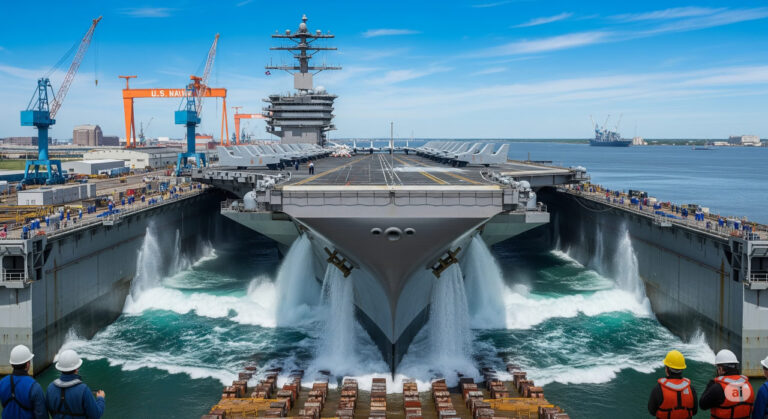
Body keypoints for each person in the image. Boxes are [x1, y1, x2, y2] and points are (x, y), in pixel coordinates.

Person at [46, 349, 105, 419]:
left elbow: (49, 411)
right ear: (77, 368)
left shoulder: (50, 388)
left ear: (60, 368)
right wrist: (100, 399)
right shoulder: (84, 390)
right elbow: (95, 415)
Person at [700, 349, 754, 418]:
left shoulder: (717, 388)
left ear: (721, 369)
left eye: (718, 368)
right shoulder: (749, 386)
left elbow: (702, 405)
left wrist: (711, 383)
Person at [0, 345, 48, 419]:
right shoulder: (34, 386)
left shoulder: (2, 383)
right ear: (27, 364)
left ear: (11, 364)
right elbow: (41, 415)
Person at [648, 350, 698, 418]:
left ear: (667, 369)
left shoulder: (658, 389)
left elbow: (652, 411)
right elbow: (694, 411)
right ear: (682, 369)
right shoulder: (691, 389)